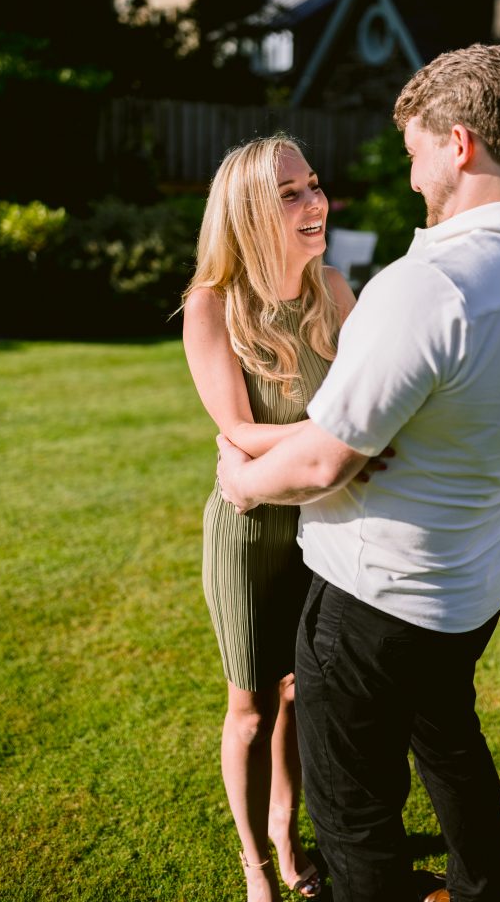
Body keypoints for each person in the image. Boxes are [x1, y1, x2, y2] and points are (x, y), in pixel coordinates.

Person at [215, 44, 500, 902]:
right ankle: (476, 888)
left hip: (377, 597)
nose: (411, 171)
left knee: (354, 812)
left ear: (458, 144)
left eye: (415, 149)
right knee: (451, 743)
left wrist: (241, 483)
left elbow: (320, 459)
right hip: (473, 587)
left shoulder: (427, 284)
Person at [182, 135, 356, 902]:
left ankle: (287, 834)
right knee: (250, 708)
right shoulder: (212, 305)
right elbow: (238, 432)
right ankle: (256, 868)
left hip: (327, 528)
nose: (313, 202)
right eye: (290, 193)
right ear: (249, 210)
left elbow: (366, 413)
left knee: (297, 693)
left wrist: (349, 436)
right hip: (250, 533)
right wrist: (344, 437)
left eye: (312, 185)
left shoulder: (337, 294)